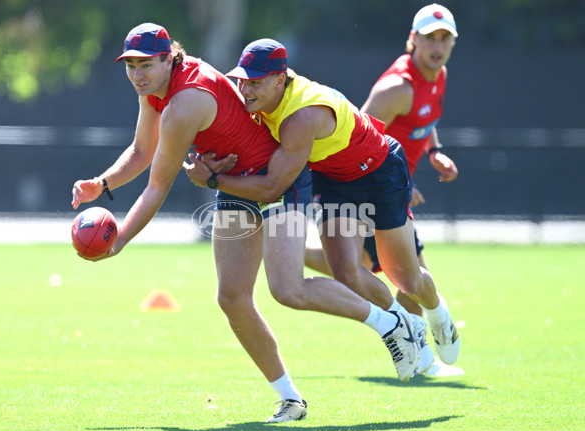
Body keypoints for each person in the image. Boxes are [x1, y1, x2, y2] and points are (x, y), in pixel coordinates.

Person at [71, 23, 423, 423]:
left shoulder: (184, 103)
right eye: (130, 65)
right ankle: (290, 400)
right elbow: (140, 150)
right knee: (232, 298)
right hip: (237, 184)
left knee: (288, 290)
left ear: (169, 58)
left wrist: (119, 242)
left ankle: (391, 322)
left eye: (146, 64)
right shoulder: (156, 92)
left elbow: (156, 187)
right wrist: (102, 183)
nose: (137, 74)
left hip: (276, 182)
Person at [185, 37, 460, 371]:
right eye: (242, 80)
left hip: (380, 173)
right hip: (336, 184)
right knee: (346, 272)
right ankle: (406, 326)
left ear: (279, 80)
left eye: (254, 82)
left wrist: (212, 180)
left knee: (406, 279)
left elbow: (273, 185)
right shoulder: (266, 95)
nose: (245, 89)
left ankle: (437, 313)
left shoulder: (302, 117)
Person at [304, 4, 462, 374]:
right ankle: (427, 353)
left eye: (445, 38)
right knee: (397, 274)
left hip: (391, 185)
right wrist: (404, 183)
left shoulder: (437, 74)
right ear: (413, 40)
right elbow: (359, 135)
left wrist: (434, 151)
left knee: (385, 270)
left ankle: (430, 333)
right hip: (371, 184)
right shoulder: (397, 88)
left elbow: (426, 118)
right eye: (429, 38)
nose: (437, 46)